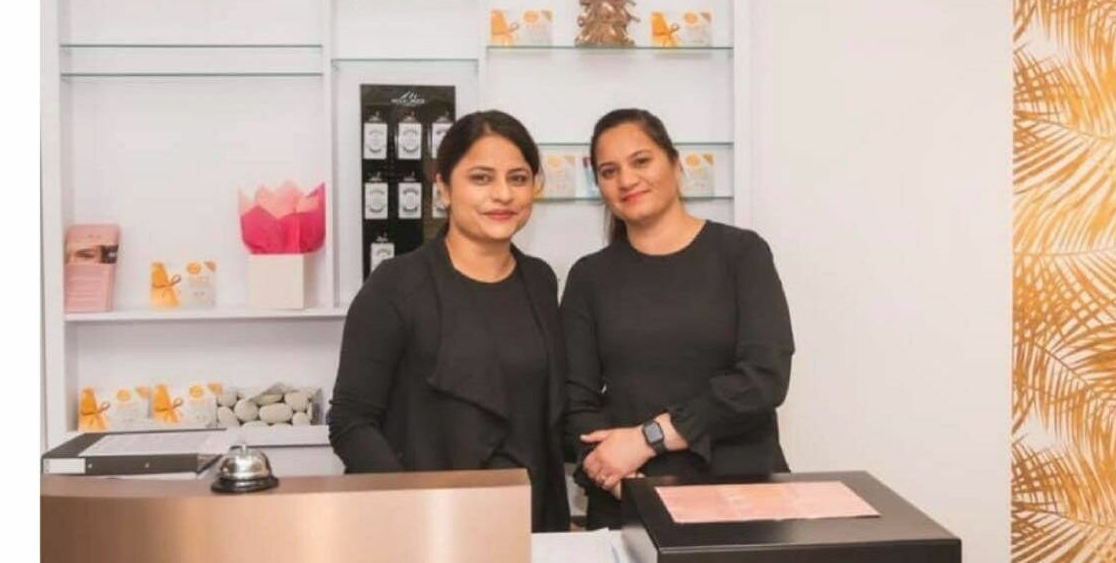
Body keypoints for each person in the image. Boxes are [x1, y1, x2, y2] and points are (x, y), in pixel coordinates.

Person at [329, 110, 570, 532]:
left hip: (528, 519)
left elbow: (545, 414)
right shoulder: (397, 285)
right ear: (443, 188)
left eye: (517, 178)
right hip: (429, 524)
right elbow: (350, 422)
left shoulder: (540, 280)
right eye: (481, 178)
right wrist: (414, 506)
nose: (503, 194)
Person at [561, 108, 795, 530]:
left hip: (741, 497)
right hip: (628, 502)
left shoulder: (742, 254)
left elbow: (764, 377)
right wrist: (616, 475)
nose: (626, 180)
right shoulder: (589, 277)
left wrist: (650, 437)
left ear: (675, 163)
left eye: (641, 161)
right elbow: (574, 403)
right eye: (609, 171)